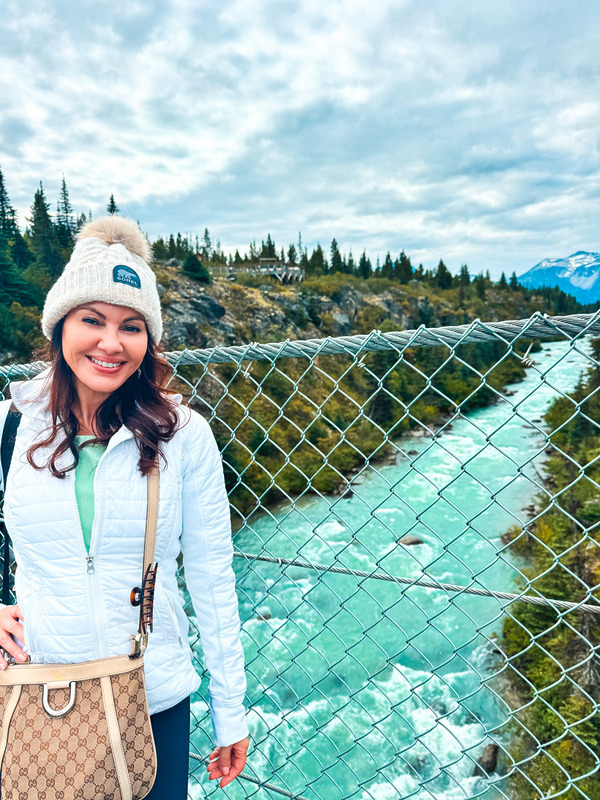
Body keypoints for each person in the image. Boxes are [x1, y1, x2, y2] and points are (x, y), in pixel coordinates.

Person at [0, 216, 249, 797]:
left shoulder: (184, 435)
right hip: (37, 690)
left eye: (131, 327)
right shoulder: (10, 426)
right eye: (93, 320)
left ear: (149, 340)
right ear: (61, 325)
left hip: (152, 696)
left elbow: (212, 577)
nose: (111, 344)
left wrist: (229, 709)